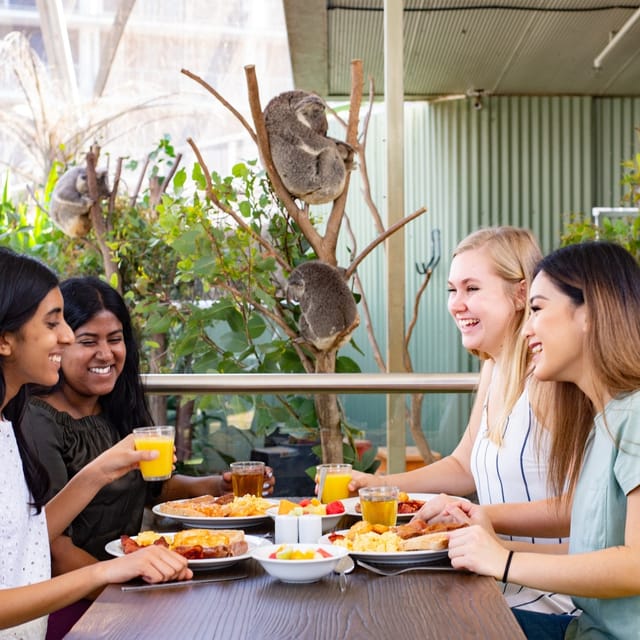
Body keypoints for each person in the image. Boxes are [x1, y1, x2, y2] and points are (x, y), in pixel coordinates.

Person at [21, 276, 275, 638]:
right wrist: (126, 592)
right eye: (88, 341)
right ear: (60, 344)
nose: (106, 354)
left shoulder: (116, 408)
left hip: (136, 579)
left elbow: (153, 487)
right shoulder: (38, 420)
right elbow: (53, 547)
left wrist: (217, 486)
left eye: (115, 339)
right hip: (76, 601)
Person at [349, 226, 574, 614]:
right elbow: (463, 465)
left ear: (520, 294)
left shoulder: (548, 381)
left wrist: (478, 516)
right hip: (490, 584)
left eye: (472, 289)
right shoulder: (495, 368)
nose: (456, 304)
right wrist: (380, 484)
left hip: (542, 601)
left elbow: (581, 509)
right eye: (453, 290)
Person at [443, 241, 640, 639]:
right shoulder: (604, 421)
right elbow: (588, 553)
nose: (527, 328)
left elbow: (635, 566)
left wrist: (504, 560)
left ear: (589, 314)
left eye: (537, 309)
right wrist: (487, 535)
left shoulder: (633, 417)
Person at [0, 247, 192, 639]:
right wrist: (106, 572)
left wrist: (99, 471)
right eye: (53, 324)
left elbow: (25, 539)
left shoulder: (6, 421)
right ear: (5, 341)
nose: (66, 337)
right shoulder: (31, 419)